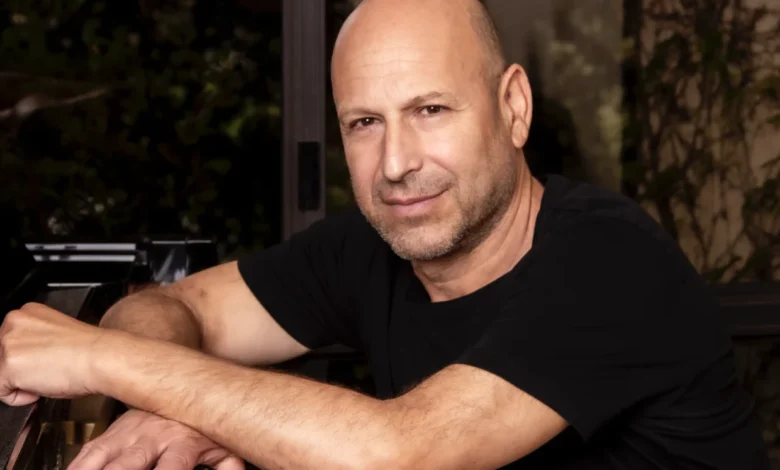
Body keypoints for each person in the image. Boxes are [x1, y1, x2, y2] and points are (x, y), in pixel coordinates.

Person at [0, 0, 770, 468]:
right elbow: (176, 307)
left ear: (513, 108)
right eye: (364, 123)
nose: (397, 163)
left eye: (430, 110)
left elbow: (406, 451)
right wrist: (170, 408)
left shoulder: (611, 259)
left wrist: (103, 357)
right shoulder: (370, 248)